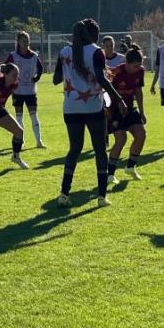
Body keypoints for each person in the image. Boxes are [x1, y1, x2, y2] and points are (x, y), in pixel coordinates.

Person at [52, 18, 125, 208]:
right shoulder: (96, 51)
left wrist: (68, 69)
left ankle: (64, 194)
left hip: (70, 107)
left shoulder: (65, 52)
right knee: (100, 150)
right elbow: (101, 78)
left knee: (74, 149)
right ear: (93, 34)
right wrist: (118, 99)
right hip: (92, 107)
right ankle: (101, 197)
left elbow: (56, 79)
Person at [107, 44, 147, 183]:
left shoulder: (140, 71)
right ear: (127, 63)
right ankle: (110, 175)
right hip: (115, 110)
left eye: (139, 65)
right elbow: (105, 93)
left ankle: (130, 167)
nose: (137, 68)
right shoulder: (115, 72)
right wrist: (109, 115)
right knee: (121, 139)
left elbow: (138, 92)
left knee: (141, 135)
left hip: (130, 108)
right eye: (134, 66)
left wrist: (142, 112)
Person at [5, 31, 46, 148]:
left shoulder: (34, 56)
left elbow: (40, 69)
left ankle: (39, 141)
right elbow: (5, 68)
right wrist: (9, 81)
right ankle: (21, 140)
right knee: (19, 116)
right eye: (23, 40)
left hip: (30, 91)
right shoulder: (13, 56)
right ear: (18, 42)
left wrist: (36, 78)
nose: (25, 42)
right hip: (17, 91)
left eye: (27, 40)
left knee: (33, 115)